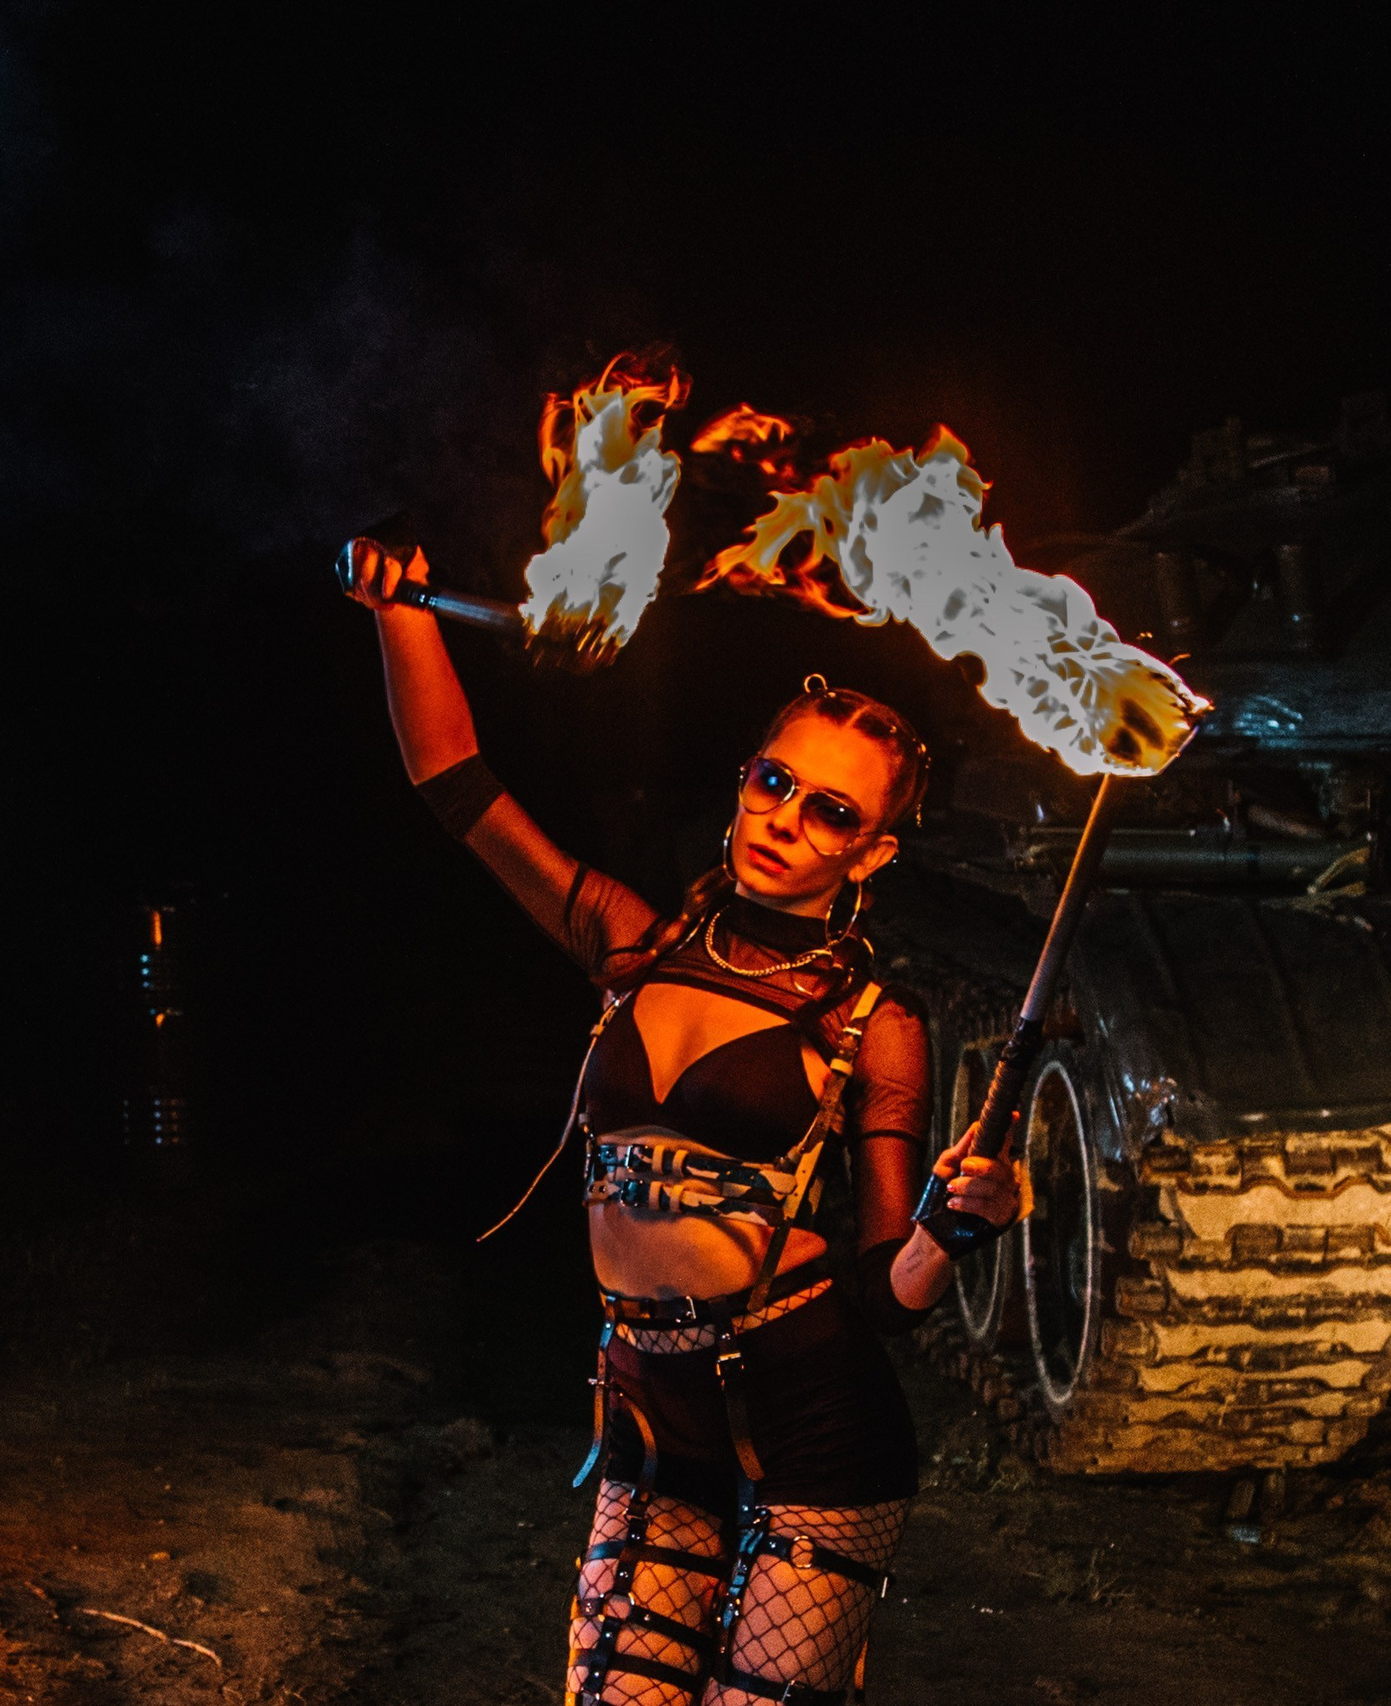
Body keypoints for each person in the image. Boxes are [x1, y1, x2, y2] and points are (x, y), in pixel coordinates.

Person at [344, 533, 1020, 1706]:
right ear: (744, 777)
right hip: (654, 1413)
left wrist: (956, 1225)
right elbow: (455, 782)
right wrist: (399, 616)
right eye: (773, 781)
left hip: (814, 1416)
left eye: (829, 811)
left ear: (872, 850)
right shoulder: (633, 943)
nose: (784, 818)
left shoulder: (872, 1019)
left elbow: (886, 1294)